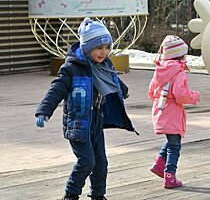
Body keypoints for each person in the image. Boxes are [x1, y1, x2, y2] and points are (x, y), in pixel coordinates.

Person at [34, 17, 136, 200]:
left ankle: (98, 195)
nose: (104, 52)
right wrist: (44, 110)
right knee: (87, 161)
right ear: (88, 48)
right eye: (99, 48)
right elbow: (56, 88)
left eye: (107, 48)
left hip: (95, 121)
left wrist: (123, 91)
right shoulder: (72, 68)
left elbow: (112, 79)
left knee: (101, 162)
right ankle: (71, 193)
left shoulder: (104, 65)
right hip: (78, 123)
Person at [148, 35, 200, 188]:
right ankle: (169, 175)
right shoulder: (178, 73)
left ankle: (159, 164)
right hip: (172, 111)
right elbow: (180, 94)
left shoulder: (160, 70)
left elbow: (151, 91)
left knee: (172, 139)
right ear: (180, 55)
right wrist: (194, 96)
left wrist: (160, 100)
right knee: (175, 145)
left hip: (160, 109)